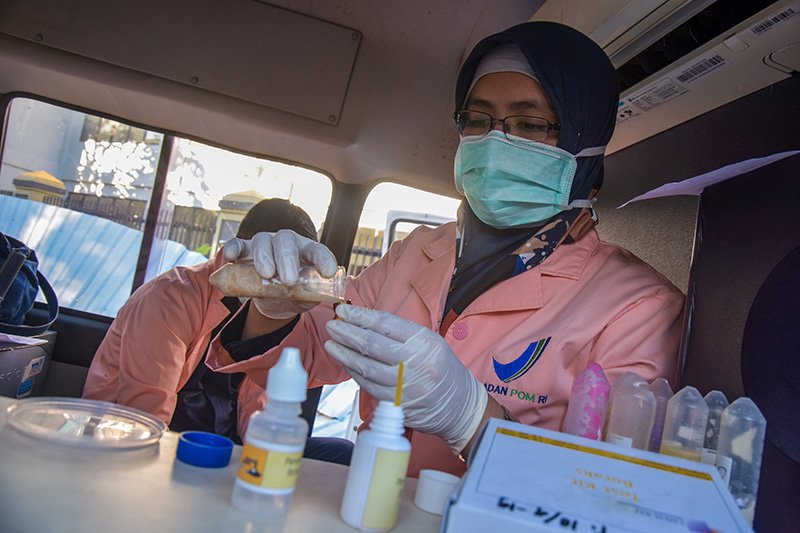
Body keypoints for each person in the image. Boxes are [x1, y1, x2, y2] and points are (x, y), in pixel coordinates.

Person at [206, 22, 685, 477]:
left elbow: (612, 491)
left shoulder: (639, 308)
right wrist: (273, 305)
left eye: (531, 124)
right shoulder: (415, 252)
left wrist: (473, 420)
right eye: (478, 119)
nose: (496, 140)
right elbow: (309, 356)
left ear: (586, 142)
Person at [82, 198, 354, 465]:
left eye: (290, 270)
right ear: (246, 250)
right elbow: (143, 420)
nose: (279, 281)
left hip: (230, 446)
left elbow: (259, 408)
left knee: (340, 452)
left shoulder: (287, 311)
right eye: (271, 264)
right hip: (148, 440)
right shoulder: (171, 296)